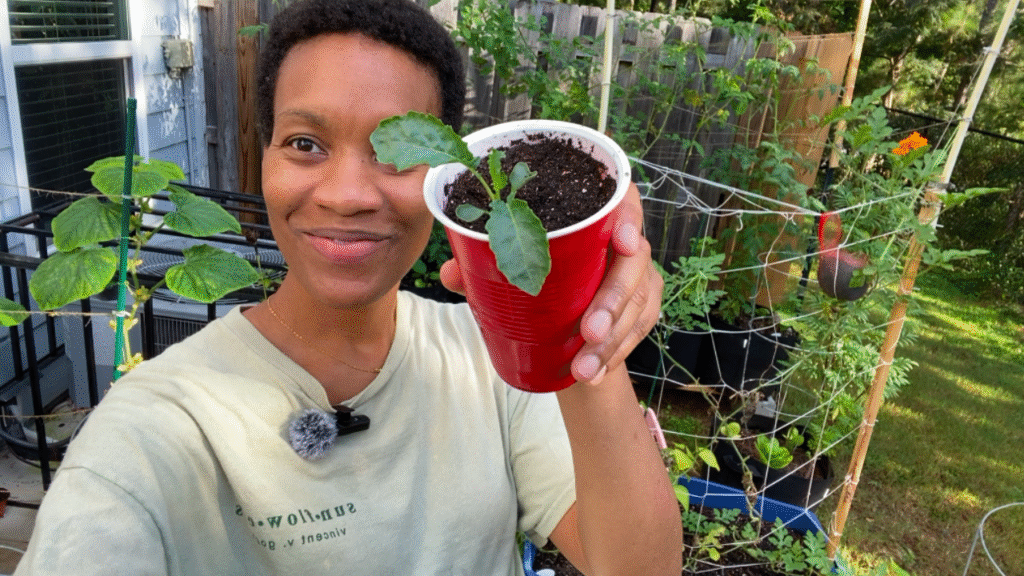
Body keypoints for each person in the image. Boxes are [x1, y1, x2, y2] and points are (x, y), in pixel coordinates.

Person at [14, 0, 681, 574]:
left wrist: (585, 334)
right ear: (264, 158)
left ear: (446, 180)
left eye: (395, 154)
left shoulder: (491, 361)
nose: (347, 195)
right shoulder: (162, 419)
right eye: (305, 143)